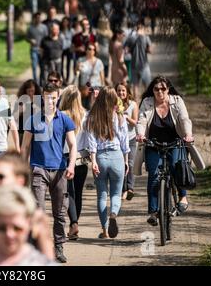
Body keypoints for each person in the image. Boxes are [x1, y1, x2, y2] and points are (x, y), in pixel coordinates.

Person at [135, 76, 205, 226]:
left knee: (176, 167)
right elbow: (141, 120)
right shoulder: (147, 103)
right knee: (153, 176)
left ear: (168, 89)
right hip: (153, 144)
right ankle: (154, 212)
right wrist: (140, 134)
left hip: (175, 143)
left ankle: (183, 197)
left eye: (163, 89)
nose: (160, 92)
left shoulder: (177, 101)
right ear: (152, 90)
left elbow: (184, 119)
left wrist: (188, 135)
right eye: (156, 89)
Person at [21, 83, 77, 263]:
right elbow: (25, 146)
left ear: (58, 97)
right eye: (47, 97)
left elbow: (73, 145)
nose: (50, 100)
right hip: (39, 169)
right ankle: (40, 248)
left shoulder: (65, 119)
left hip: (60, 171)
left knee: (60, 213)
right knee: (39, 211)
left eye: (54, 97)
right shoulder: (33, 119)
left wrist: (71, 166)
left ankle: (59, 247)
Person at [86, 86, 130, 239]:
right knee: (116, 194)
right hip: (117, 156)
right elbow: (125, 141)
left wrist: (93, 161)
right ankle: (113, 214)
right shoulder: (119, 116)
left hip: (101, 158)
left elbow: (91, 142)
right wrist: (126, 161)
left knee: (101, 196)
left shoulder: (92, 117)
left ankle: (105, 231)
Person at [59, 85, 89, 240]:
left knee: (69, 192)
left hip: (65, 157)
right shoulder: (86, 115)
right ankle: (74, 224)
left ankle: (74, 223)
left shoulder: (60, 116)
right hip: (82, 158)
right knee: (78, 192)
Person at [115, 83, 139, 200]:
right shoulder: (114, 105)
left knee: (130, 164)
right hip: (118, 140)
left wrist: (126, 117)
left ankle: (130, 188)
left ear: (127, 92)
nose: (121, 93)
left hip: (131, 138)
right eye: (119, 91)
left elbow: (136, 122)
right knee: (121, 165)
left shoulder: (133, 105)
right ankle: (123, 189)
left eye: (123, 91)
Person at [125, 19, 152, 100]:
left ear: (136, 28)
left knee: (135, 86)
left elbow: (126, 50)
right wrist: (145, 49)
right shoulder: (146, 37)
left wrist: (132, 50)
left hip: (134, 64)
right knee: (147, 86)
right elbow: (150, 50)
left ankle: (136, 106)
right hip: (144, 65)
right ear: (142, 28)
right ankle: (147, 102)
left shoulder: (131, 38)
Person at [75, 42, 105, 110]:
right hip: (84, 88)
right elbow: (76, 73)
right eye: (89, 49)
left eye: (93, 49)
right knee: (83, 107)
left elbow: (102, 78)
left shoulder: (99, 62)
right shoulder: (81, 60)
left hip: (95, 87)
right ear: (86, 50)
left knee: (92, 107)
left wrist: (103, 91)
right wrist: (77, 67)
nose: (91, 51)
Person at [15, 79, 42, 145]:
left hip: (35, 132)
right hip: (22, 131)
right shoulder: (21, 100)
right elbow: (14, 117)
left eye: (32, 91)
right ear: (25, 91)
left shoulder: (39, 100)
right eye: (28, 91)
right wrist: (20, 111)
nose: (30, 93)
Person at [26, 12, 48, 82]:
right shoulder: (30, 28)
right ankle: (36, 81)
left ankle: (41, 81)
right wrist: (30, 40)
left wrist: (44, 48)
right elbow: (26, 38)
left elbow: (47, 38)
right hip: (33, 49)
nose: (38, 19)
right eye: (37, 18)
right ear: (34, 19)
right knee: (34, 66)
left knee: (42, 67)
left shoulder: (44, 27)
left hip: (41, 50)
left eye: (39, 18)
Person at [96, 14, 113, 81]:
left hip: (99, 52)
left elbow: (96, 43)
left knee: (99, 70)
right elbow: (111, 45)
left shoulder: (98, 32)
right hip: (106, 52)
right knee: (105, 70)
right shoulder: (109, 33)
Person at [60, 17, 75, 83]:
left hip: (69, 49)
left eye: (66, 22)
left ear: (68, 23)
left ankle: (67, 79)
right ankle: (62, 78)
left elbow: (74, 40)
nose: (65, 23)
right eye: (64, 22)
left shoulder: (71, 30)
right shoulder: (60, 31)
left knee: (68, 65)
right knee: (61, 64)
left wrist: (72, 47)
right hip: (61, 49)